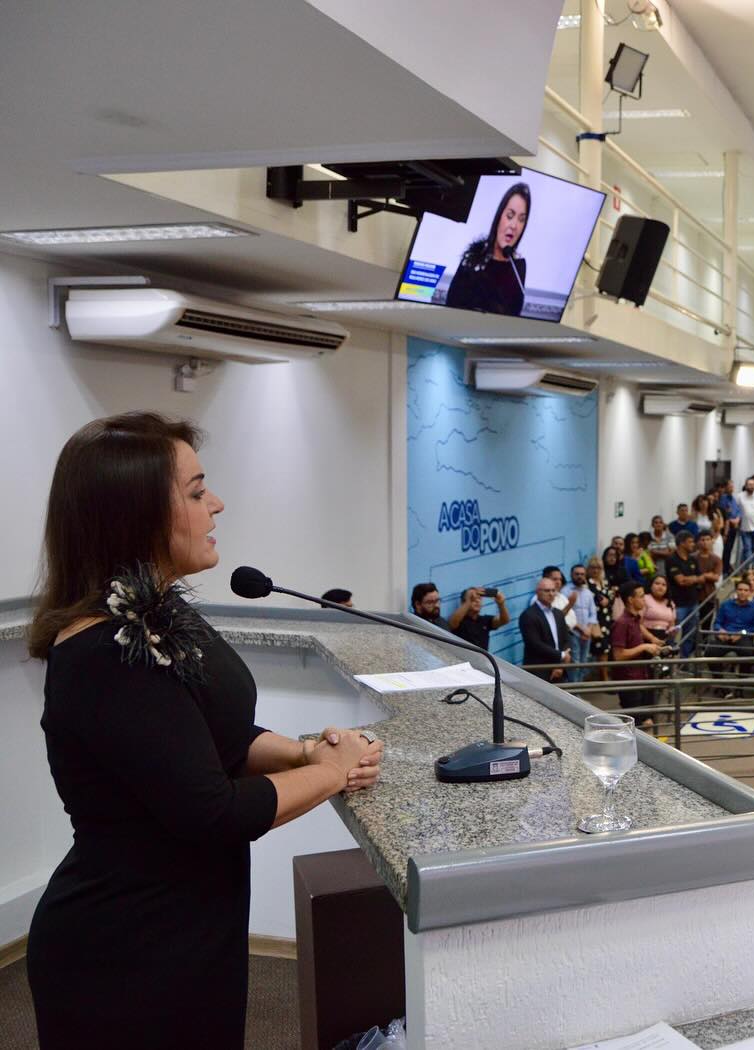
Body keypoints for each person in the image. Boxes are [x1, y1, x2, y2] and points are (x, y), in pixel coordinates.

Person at [26, 413, 382, 1048]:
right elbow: (213, 812)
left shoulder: (156, 614)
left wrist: (303, 752)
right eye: (195, 492)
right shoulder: (105, 654)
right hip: (128, 952)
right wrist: (331, 773)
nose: (216, 504)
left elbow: (222, 736)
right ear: (134, 514)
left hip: (189, 927)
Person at [442, 182, 530, 316]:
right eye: (510, 216)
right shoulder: (473, 257)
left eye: (521, 219)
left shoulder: (518, 266)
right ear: (499, 216)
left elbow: (514, 315)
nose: (514, 225)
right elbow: (451, 304)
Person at [610, 581, 665, 730]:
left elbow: (640, 629)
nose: (644, 599)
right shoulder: (621, 623)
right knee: (635, 725)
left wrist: (652, 641)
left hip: (641, 676)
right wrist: (643, 647)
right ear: (630, 600)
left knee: (645, 721)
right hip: (629, 681)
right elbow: (618, 655)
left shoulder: (635, 619)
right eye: (641, 596)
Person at [519, 575, 571, 682]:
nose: (551, 594)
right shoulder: (528, 615)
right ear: (537, 592)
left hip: (559, 669)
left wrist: (560, 665)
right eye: (547, 591)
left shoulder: (558, 613)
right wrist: (561, 655)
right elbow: (534, 644)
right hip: (539, 670)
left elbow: (565, 639)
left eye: (553, 590)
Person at [667, 531, 703, 656]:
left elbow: (701, 578)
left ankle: (684, 660)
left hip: (693, 602)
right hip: (678, 604)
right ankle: (669, 659)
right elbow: (680, 581)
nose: (693, 544)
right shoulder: (672, 559)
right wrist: (694, 579)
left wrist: (691, 579)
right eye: (690, 542)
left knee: (690, 634)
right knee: (672, 634)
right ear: (682, 543)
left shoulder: (693, 559)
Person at [562, 564, 599, 681]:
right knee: (575, 662)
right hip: (572, 633)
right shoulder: (565, 591)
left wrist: (588, 629)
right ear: (571, 575)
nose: (579, 576)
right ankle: (574, 692)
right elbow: (565, 614)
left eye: (582, 574)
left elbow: (593, 613)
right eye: (576, 574)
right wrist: (581, 629)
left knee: (584, 662)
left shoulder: (587, 592)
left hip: (586, 634)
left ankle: (579, 687)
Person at [447, 585, 510, 650]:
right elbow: (451, 624)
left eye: (479, 598)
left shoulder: (484, 620)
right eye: (473, 599)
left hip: (483, 658)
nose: (477, 601)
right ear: (464, 602)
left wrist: (501, 604)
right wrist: (468, 600)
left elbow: (504, 620)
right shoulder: (459, 621)